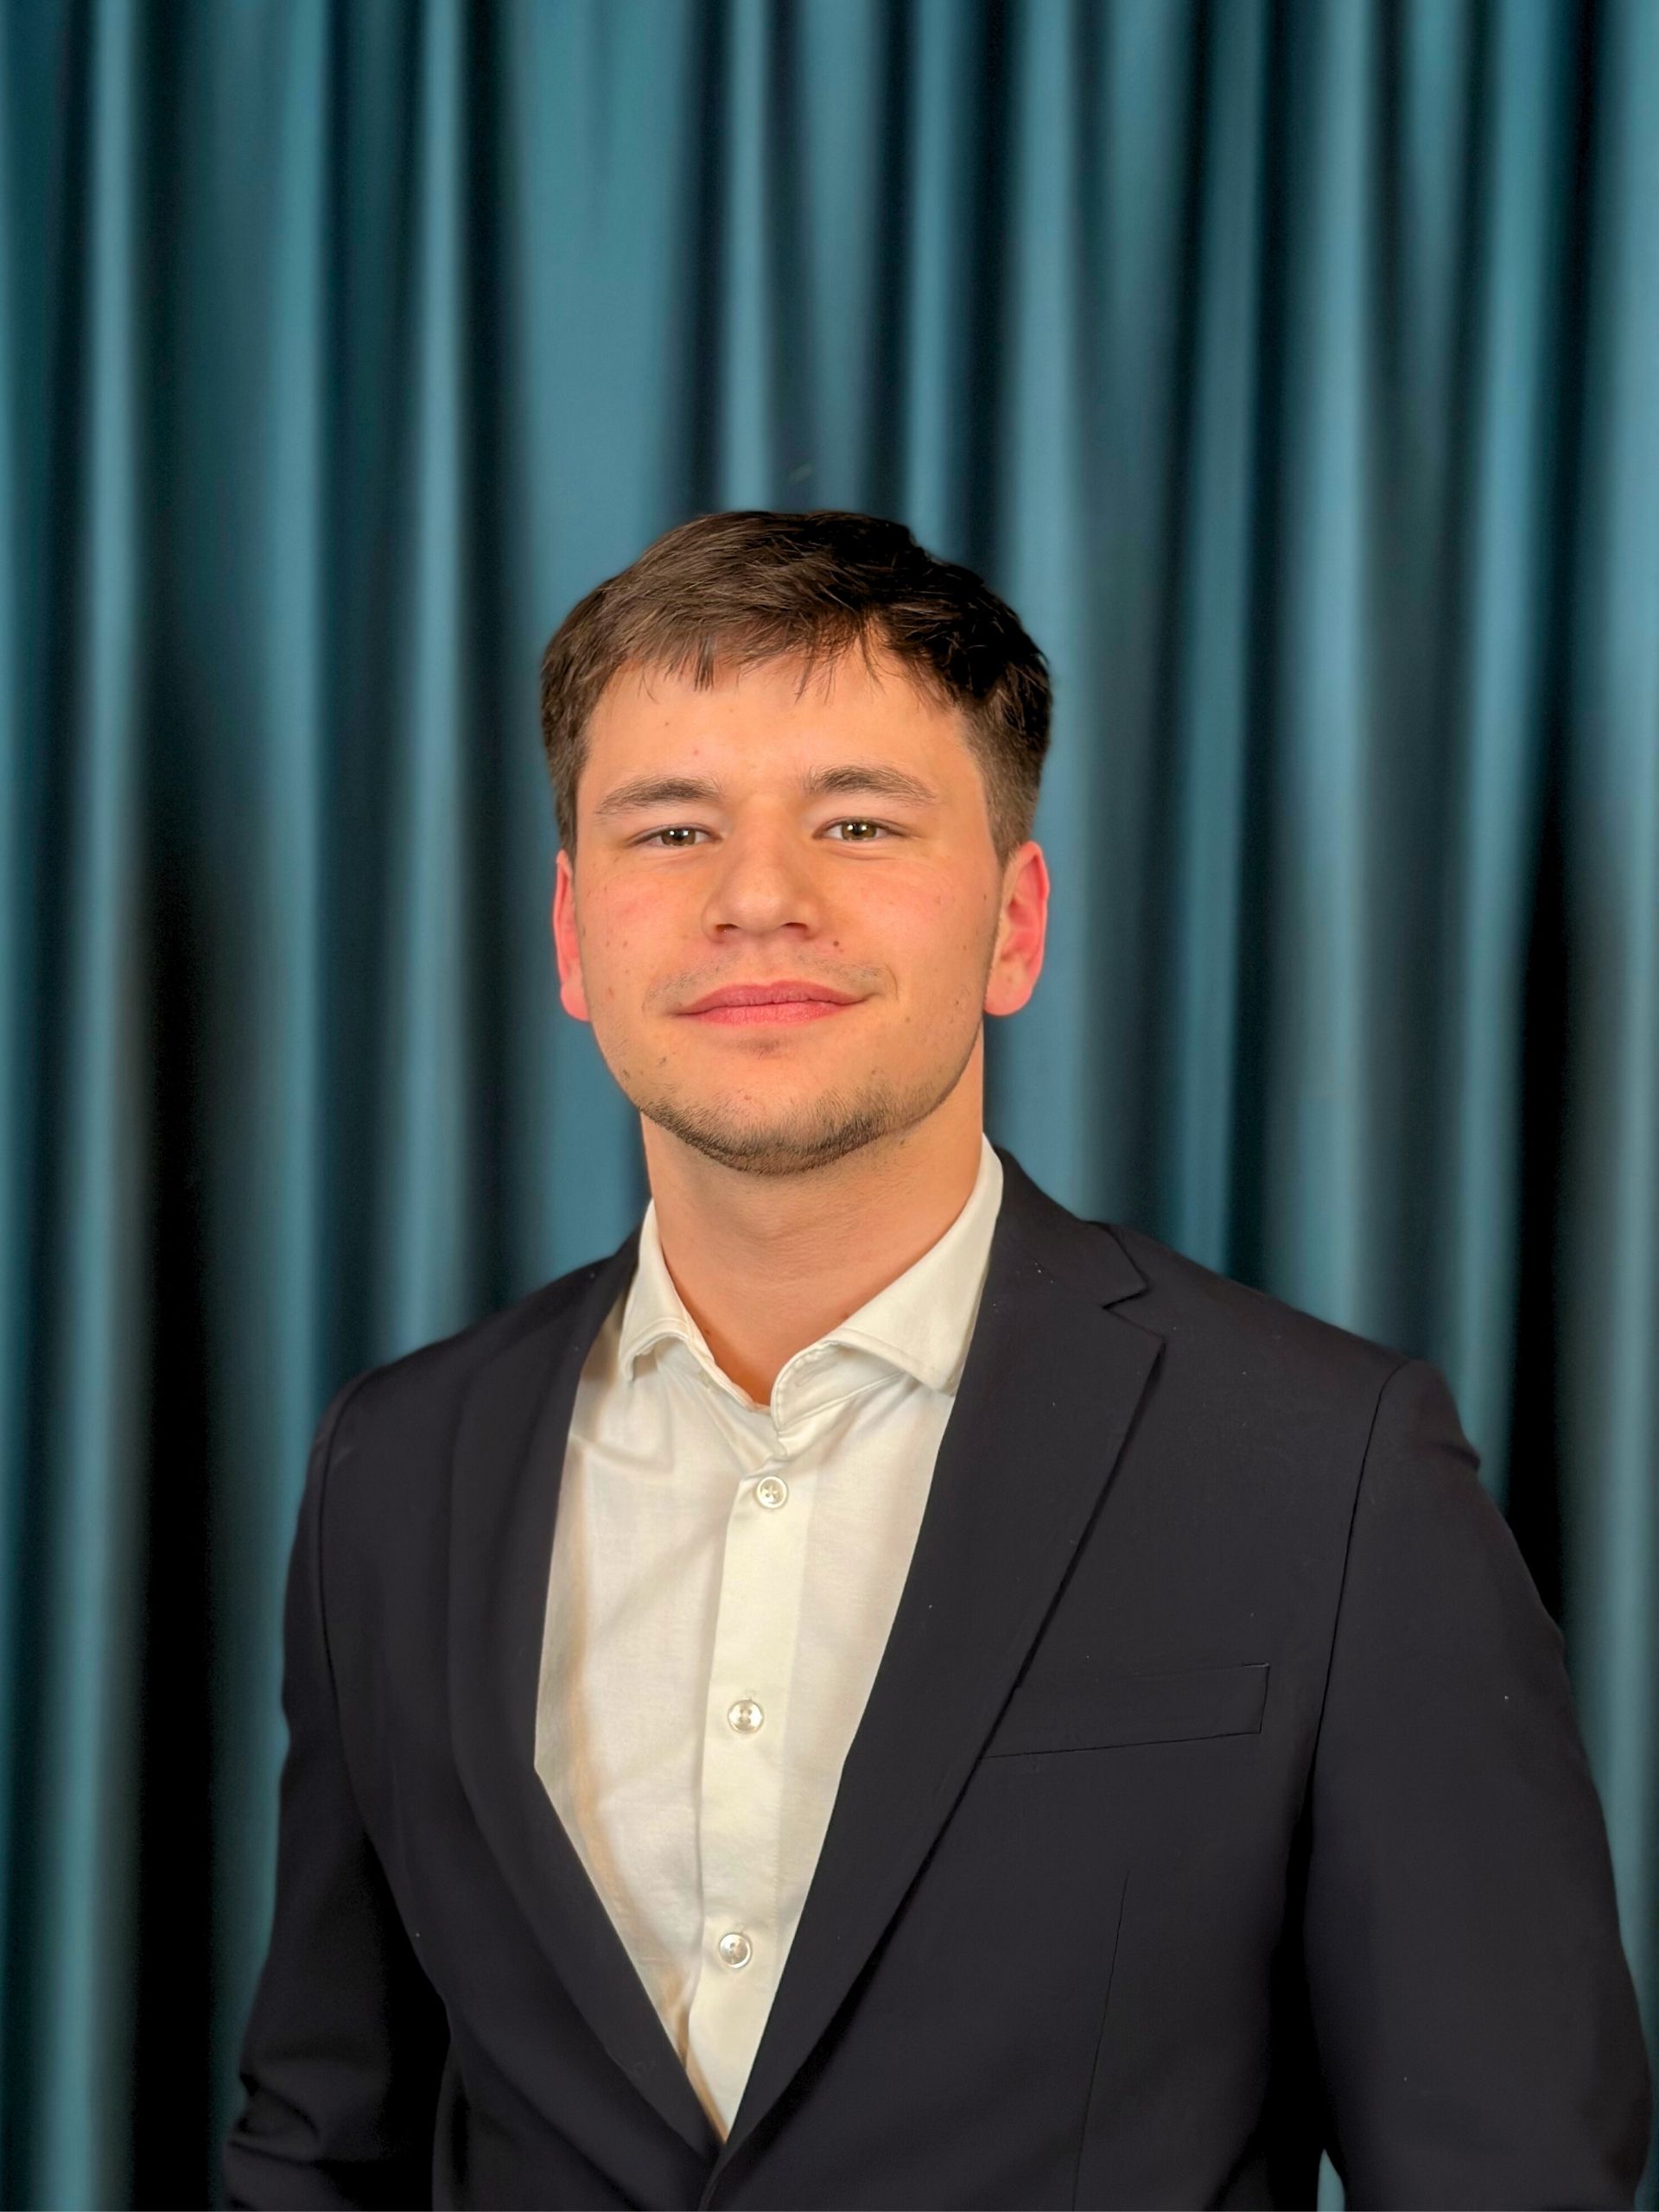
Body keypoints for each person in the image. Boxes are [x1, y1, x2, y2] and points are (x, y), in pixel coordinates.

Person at [224, 511, 1651, 2211]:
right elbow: (321, 2144)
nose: (760, 895)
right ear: (572, 935)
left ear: (1015, 922)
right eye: (672, 825)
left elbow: (1507, 2176)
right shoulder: (398, 1465)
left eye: (858, 820)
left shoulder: (1327, 1472)